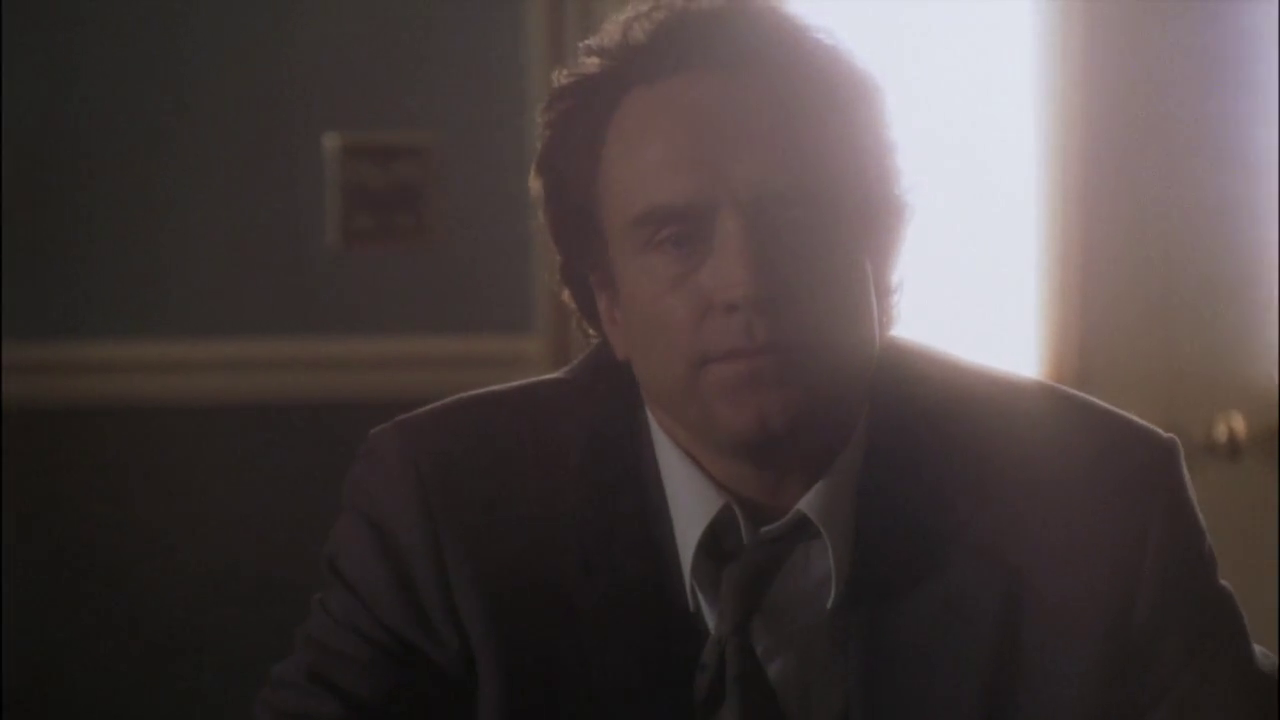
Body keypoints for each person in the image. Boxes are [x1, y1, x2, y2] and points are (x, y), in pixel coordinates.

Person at [254, 1, 1278, 717]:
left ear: (878, 253)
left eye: (796, 219)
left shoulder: (1099, 497)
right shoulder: (445, 507)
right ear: (604, 302)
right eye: (676, 238)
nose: (745, 281)